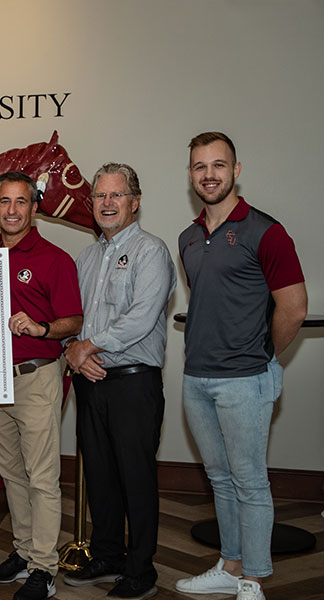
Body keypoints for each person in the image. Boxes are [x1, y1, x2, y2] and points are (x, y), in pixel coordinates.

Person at [175, 132, 306, 600]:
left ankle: (254, 579)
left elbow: (292, 308)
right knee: (220, 478)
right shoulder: (188, 238)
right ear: (190, 174)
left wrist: (262, 356)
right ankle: (230, 565)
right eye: (199, 166)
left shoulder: (266, 232)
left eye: (218, 165)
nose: (209, 174)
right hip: (197, 378)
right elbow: (207, 300)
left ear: (236, 170)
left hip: (246, 379)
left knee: (250, 481)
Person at [63, 164, 175, 600]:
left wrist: (86, 346)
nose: (107, 203)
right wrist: (76, 346)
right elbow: (74, 317)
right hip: (91, 382)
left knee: (136, 478)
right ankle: (107, 555)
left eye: (116, 195)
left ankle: (140, 568)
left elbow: (141, 320)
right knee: (101, 476)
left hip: (133, 382)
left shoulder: (152, 252)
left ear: (135, 200)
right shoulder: (86, 257)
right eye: (99, 196)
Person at [0, 171, 82, 600]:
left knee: (42, 477)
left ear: (34, 207)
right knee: (11, 474)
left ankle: (44, 566)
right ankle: (23, 553)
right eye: (4, 202)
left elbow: (73, 320)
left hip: (36, 377)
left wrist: (41, 329)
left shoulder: (55, 258)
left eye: (21, 202)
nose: (12, 210)